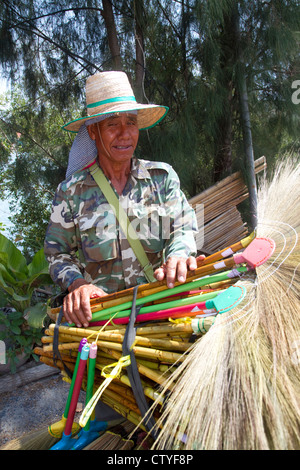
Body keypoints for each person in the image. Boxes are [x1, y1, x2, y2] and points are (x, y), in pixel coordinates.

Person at [44, 71, 201, 330]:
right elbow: (57, 253)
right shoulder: (72, 192)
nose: (125, 134)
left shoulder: (161, 179)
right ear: (93, 131)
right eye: (112, 124)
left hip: (160, 314)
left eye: (131, 122)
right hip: (104, 323)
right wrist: (78, 284)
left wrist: (179, 255)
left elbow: (182, 228)